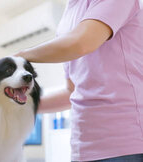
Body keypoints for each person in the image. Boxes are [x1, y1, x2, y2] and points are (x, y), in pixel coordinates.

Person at [16, 0, 143, 161]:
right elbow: (72, 91)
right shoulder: (68, 15)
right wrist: (20, 102)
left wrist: (18, 57)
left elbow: (81, 42)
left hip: (124, 145)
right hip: (82, 147)